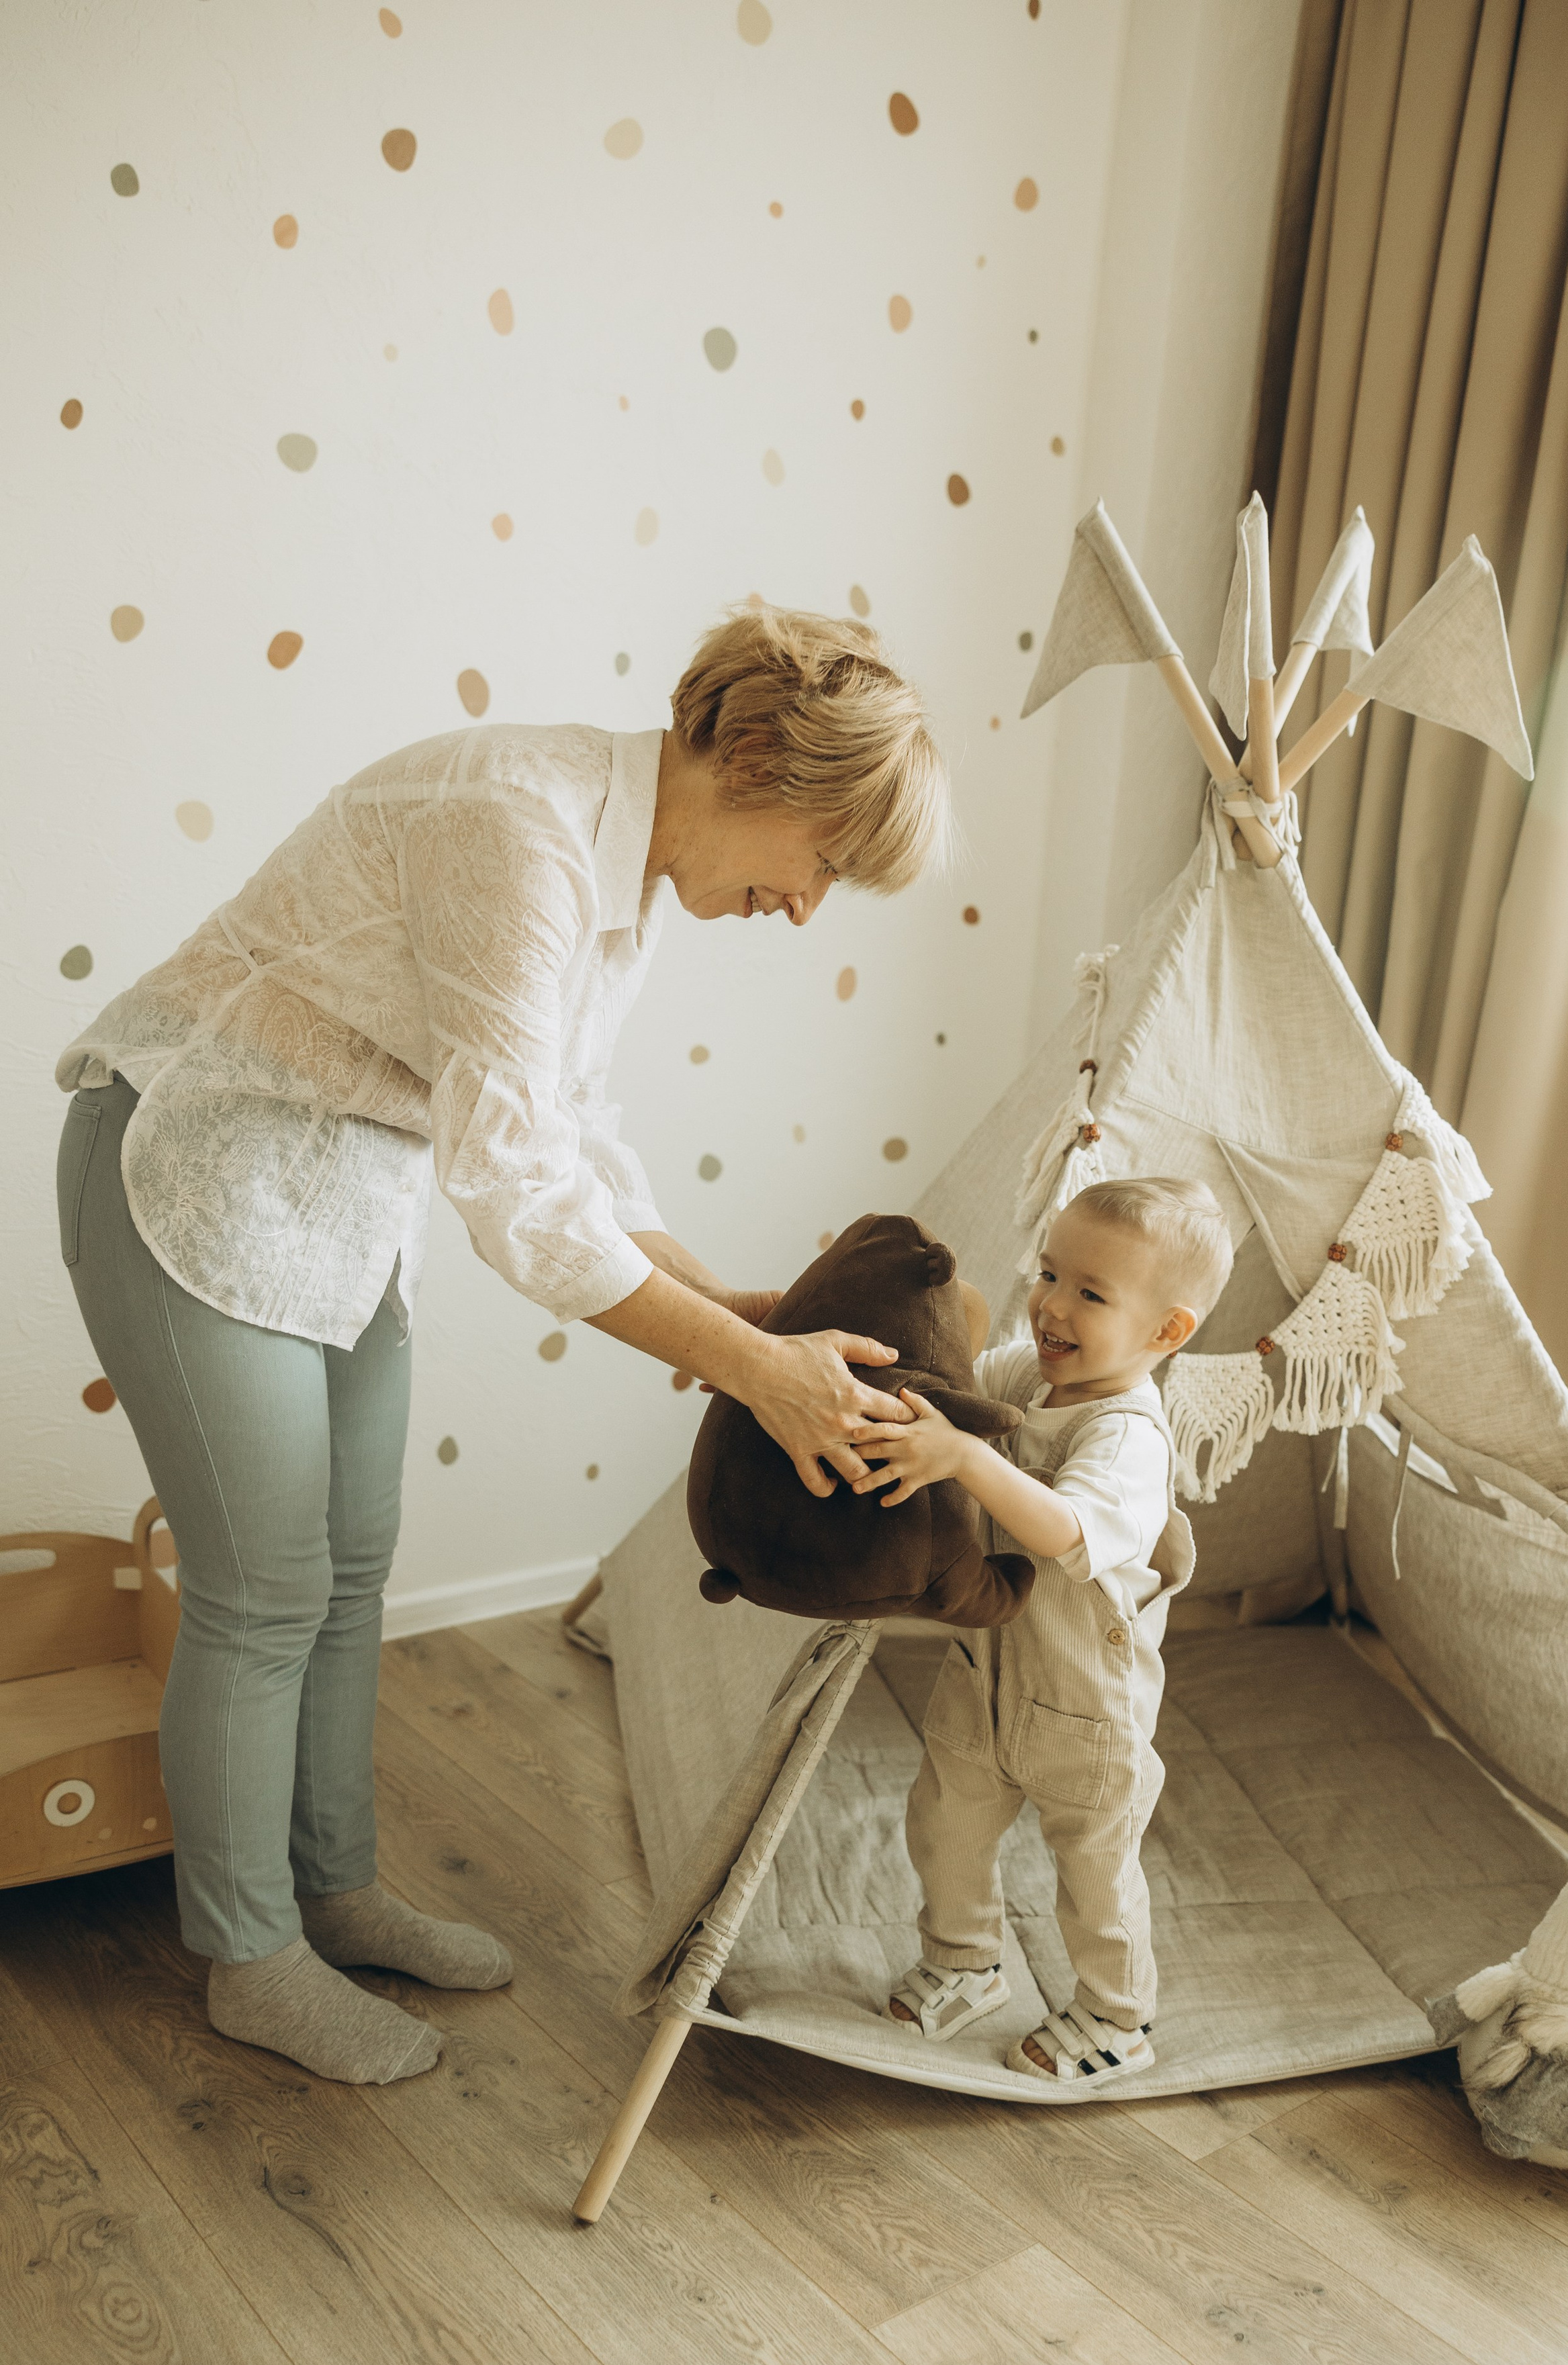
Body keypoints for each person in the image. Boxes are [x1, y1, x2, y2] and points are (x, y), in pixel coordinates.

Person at [54, 607, 944, 2086]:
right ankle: (248, 1953)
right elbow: (518, 1193)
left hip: (336, 1195)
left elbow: (569, 1135)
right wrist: (748, 1369)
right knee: (262, 1587)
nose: (807, 907)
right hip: (194, 1156)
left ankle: (331, 1892)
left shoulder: (624, 876)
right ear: (758, 758)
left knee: (346, 1569)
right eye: (825, 863)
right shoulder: (516, 833)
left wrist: (735, 1312)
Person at [859, 1178, 1231, 2087]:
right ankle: (965, 1959)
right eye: (1051, 1272)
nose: (1055, 1304)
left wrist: (967, 1459)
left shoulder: (1130, 1435)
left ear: (1166, 1332)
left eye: (1092, 1294)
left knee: (1097, 1879)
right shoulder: (1033, 1371)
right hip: (983, 1674)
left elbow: (1066, 1530)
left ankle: (1115, 2017)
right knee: (943, 1825)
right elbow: (959, 1386)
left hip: (1085, 1711)